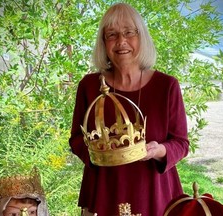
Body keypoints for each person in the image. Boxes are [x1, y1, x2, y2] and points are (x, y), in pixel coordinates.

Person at [69, 2, 189, 215]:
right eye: (112, 34)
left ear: (141, 37)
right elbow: (77, 138)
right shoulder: (88, 86)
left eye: (129, 32)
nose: (121, 41)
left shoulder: (167, 86)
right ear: (104, 43)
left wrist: (158, 150)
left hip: (154, 192)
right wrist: (97, 156)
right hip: (104, 190)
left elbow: (181, 143)